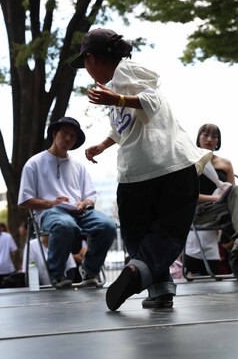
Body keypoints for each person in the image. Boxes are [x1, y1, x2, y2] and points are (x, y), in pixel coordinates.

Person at [78, 28, 211, 310]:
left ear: (92, 59)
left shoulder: (127, 71)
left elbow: (153, 100)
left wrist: (119, 100)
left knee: (138, 233)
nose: (88, 73)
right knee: (163, 231)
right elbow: (121, 127)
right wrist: (102, 145)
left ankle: (146, 276)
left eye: (86, 65)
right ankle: (157, 287)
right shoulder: (116, 84)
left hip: (152, 170)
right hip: (162, 169)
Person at [18, 116, 117, 290]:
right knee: (65, 224)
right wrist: (51, 203)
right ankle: (56, 274)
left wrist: (84, 203)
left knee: (108, 226)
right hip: (50, 212)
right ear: (55, 133)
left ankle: (90, 270)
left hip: (79, 212)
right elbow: (25, 200)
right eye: (65, 133)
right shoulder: (34, 163)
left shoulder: (79, 166)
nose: (68, 138)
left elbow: (90, 195)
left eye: (73, 135)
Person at [186, 123, 238, 279]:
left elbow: (233, 194)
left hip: (223, 210)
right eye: (205, 134)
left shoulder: (226, 164)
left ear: (218, 142)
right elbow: (188, 196)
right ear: (198, 137)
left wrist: (222, 199)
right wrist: (216, 198)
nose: (209, 139)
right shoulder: (189, 161)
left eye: (214, 136)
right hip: (200, 211)